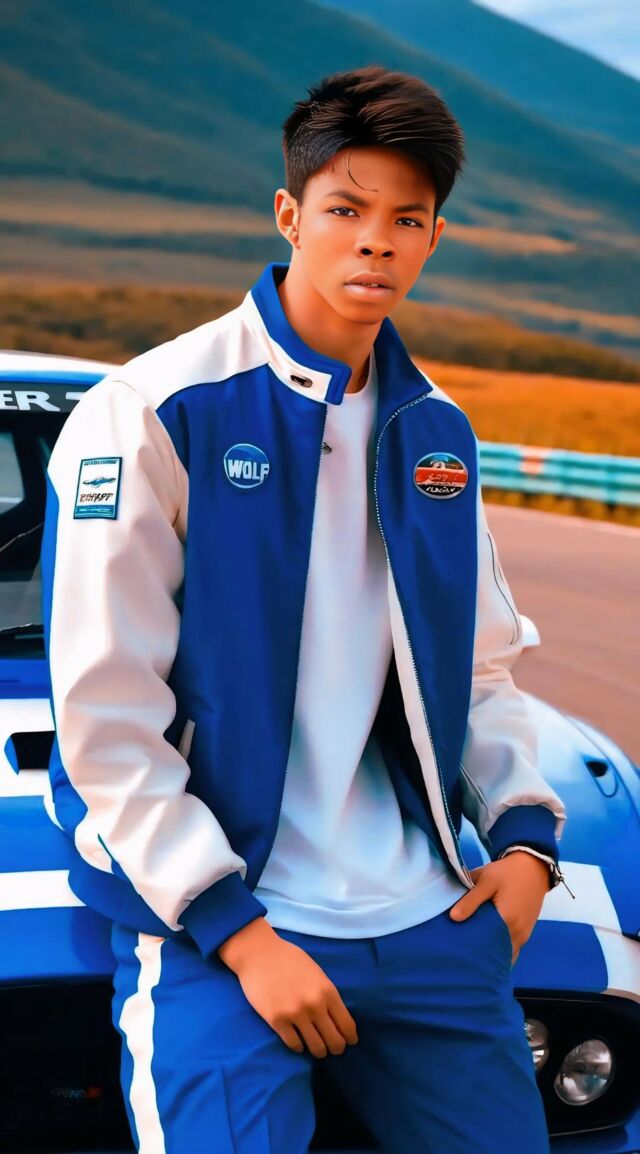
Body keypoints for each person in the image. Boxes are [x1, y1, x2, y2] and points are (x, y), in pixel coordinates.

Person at [41, 63, 569, 1154]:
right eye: (344, 210)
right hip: (223, 924)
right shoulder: (153, 411)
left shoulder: (437, 430)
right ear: (289, 215)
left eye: (406, 220)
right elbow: (106, 715)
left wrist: (524, 844)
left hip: (427, 918)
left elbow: (477, 667)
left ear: (434, 238)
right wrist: (237, 932)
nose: (375, 243)